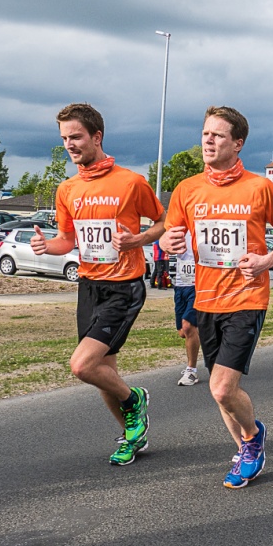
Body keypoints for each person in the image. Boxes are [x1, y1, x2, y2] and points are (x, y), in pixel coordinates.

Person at [161, 106, 273, 489]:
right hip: (205, 299)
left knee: (222, 387)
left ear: (238, 143)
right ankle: (244, 448)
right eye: (206, 133)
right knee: (218, 391)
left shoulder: (259, 188)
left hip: (247, 297)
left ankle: (253, 439)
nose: (209, 140)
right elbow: (169, 234)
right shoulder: (188, 189)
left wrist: (267, 260)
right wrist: (168, 240)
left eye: (219, 135)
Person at [31, 103, 166, 466]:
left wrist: (137, 240)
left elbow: (162, 222)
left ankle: (135, 400)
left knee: (82, 366)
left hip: (124, 286)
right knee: (104, 371)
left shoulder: (131, 182)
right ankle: (131, 436)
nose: (69, 145)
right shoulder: (68, 189)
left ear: (96, 136)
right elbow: (66, 240)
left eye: (75, 137)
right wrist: (47, 248)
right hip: (89, 287)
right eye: (63, 139)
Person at [172, 230, 201, 386]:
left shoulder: (204, 221)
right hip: (181, 283)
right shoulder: (178, 224)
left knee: (188, 326)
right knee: (183, 333)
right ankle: (209, 327)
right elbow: (167, 247)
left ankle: (191, 371)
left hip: (199, 284)